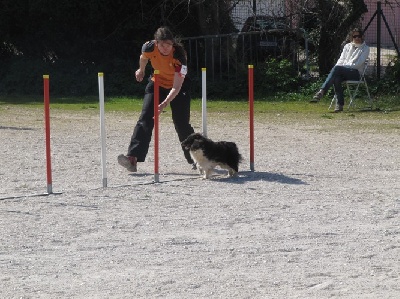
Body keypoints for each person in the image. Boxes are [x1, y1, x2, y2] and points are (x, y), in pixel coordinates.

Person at [118, 27, 195, 172]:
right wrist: (141, 70)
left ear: (172, 44)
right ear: (156, 42)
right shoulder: (149, 47)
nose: (165, 48)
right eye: (162, 45)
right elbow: (143, 57)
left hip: (178, 87)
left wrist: (165, 103)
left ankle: (196, 158)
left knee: (181, 123)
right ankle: (132, 158)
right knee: (145, 118)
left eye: (168, 45)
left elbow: (177, 87)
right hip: (157, 83)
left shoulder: (179, 56)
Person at [310, 28, 370, 112]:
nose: (357, 38)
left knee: (337, 69)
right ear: (352, 37)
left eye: (359, 36)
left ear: (362, 37)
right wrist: (340, 67)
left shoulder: (365, 48)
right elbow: (341, 60)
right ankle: (340, 105)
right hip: (344, 71)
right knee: (337, 78)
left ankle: (322, 91)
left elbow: (358, 64)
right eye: (355, 36)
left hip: (356, 73)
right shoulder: (347, 46)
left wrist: (342, 67)